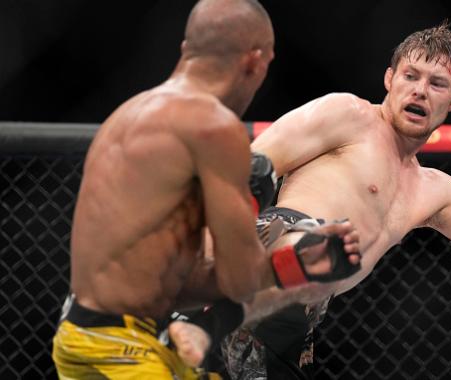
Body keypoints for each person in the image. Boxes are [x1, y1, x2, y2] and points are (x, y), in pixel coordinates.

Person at [196, 20, 451, 379]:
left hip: (296, 316)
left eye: (437, 84)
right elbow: (248, 169)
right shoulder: (348, 115)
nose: (420, 89)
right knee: (314, 242)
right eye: (410, 76)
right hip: (265, 252)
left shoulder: (434, 190)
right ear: (389, 78)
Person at [50, 0, 361, 379]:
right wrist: (260, 213)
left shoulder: (125, 115)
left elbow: (180, 283)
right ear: (255, 61)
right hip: (128, 349)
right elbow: (239, 281)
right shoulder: (213, 127)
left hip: (80, 336)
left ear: (186, 49)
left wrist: (295, 263)